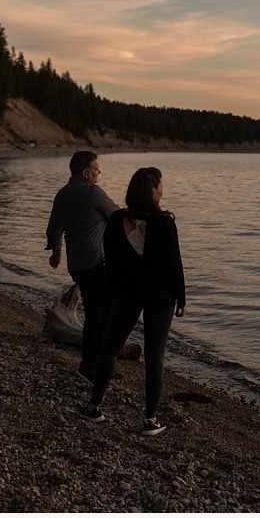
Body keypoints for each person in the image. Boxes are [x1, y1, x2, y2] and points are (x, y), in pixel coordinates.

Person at [80, 167, 187, 437]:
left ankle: (94, 407)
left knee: (109, 349)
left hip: (126, 294)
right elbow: (175, 264)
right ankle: (150, 420)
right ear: (152, 190)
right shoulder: (165, 223)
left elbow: (111, 262)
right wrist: (182, 298)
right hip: (160, 298)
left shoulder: (116, 219)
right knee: (155, 357)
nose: (163, 189)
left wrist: (113, 291)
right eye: (160, 185)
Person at [45, 151, 120, 385]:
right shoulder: (92, 193)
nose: (100, 172)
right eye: (97, 168)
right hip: (96, 264)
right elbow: (118, 215)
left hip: (76, 266)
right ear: (85, 173)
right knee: (106, 315)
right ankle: (94, 366)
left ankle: (92, 365)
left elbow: (53, 227)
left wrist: (56, 251)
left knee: (94, 314)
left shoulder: (62, 194)